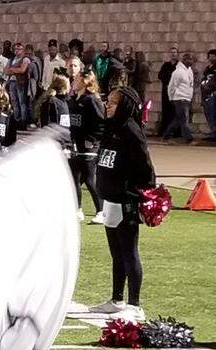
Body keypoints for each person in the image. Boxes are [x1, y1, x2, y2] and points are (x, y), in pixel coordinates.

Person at [87, 87, 155, 320]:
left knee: (129, 252)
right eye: (108, 101)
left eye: (114, 102)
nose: (108, 105)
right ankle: (117, 299)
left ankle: (135, 305)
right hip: (110, 200)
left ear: (125, 105)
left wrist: (144, 195)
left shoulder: (131, 130)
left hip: (126, 201)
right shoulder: (111, 128)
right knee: (116, 254)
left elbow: (146, 168)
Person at [67, 60, 105, 223]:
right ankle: (77, 210)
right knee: (74, 179)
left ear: (84, 81)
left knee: (90, 179)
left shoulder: (91, 100)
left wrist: (92, 140)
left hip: (90, 147)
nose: (73, 82)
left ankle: (101, 211)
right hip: (76, 146)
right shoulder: (74, 100)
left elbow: (101, 122)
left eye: (76, 80)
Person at [162, 53, 195, 143]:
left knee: (178, 119)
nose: (191, 61)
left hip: (187, 98)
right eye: (189, 59)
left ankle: (166, 136)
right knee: (184, 118)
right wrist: (171, 97)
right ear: (184, 60)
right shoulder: (178, 72)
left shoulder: (189, 70)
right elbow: (171, 86)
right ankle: (189, 138)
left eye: (192, 59)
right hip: (180, 98)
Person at [197, 49, 216, 143]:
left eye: (213, 56)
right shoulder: (207, 69)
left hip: (215, 96)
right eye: (210, 56)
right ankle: (212, 132)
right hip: (205, 95)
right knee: (208, 114)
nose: (211, 58)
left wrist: (215, 92)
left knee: (215, 115)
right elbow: (203, 80)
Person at [157, 46, 178, 136]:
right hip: (166, 91)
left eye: (175, 52)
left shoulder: (179, 66)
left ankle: (175, 131)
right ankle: (165, 130)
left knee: (175, 111)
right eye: (171, 52)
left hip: (176, 92)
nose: (173, 54)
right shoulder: (166, 65)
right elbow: (160, 75)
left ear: (177, 54)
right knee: (166, 110)